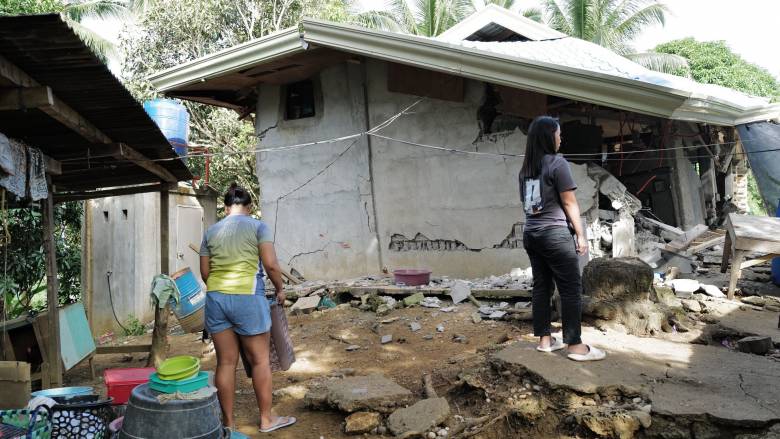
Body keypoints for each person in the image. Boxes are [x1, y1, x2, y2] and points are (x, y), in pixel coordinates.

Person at [199, 183, 297, 436]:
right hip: (247, 297)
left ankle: (228, 424)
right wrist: (280, 288)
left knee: (226, 362)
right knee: (260, 360)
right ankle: (266, 419)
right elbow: (271, 265)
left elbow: (205, 273)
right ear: (250, 207)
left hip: (216, 299)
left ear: (225, 206)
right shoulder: (258, 227)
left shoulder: (210, 232)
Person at [519, 116, 606, 362]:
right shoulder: (557, 163)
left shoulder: (526, 170)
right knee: (570, 289)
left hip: (532, 233)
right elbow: (569, 202)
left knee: (542, 286)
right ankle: (575, 346)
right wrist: (581, 234)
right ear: (549, 137)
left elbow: (530, 206)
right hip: (555, 235)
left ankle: (545, 341)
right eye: (558, 133)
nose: (561, 138)